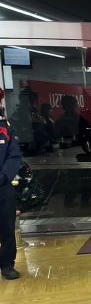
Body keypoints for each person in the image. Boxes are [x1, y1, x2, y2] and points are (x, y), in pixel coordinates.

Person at [0, 117, 22, 280]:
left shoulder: (5, 130)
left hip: (3, 185)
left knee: (7, 226)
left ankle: (7, 264)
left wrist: (3, 176)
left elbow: (14, 156)